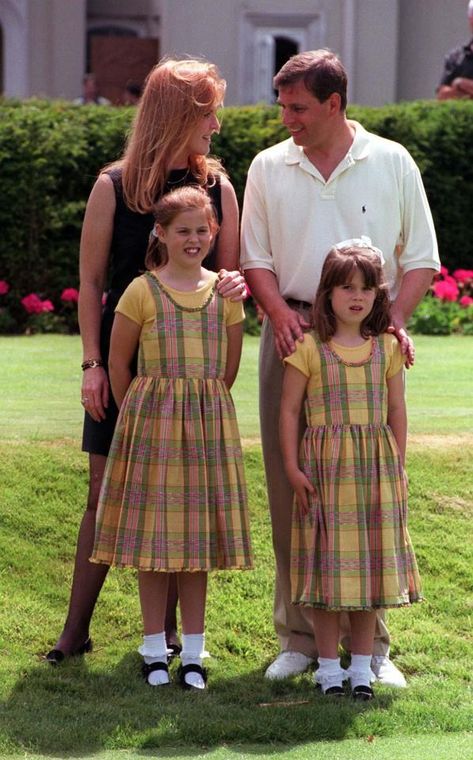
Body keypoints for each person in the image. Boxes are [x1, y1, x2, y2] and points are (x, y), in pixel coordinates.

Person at [240, 49, 440, 686]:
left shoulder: (392, 160)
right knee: (292, 491)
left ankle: (371, 650)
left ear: (333, 104)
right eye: (282, 105)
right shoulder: (269, 165)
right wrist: (278, 314)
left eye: (296, 107)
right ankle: (299, 638)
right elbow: (255, 259)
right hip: (293, 338)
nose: (285, 118)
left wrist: (391, 325)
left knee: (367, 500)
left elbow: (422, 261)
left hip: (366, 348)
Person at [46, 57, 246, 665]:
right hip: (122, 368)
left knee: (181, 502)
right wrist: (92, 366)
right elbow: (90, 281)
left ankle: (169, 648)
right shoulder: (112, 185)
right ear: (177, 113)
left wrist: (236, 288)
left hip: (189, 380)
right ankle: (73, 633)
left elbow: (225, 277)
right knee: (104, 494)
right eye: (207, 110)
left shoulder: (219, 189)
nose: (216, 123)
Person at [90, 185, 252, 689]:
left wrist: (197, 407)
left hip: (204, 431)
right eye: (183, 230)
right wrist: (142, 410)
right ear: (160, 232)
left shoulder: (224, 294)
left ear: (215, 232)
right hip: (151, 431)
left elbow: (227, 370)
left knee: (195, 543)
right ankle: (153, 649)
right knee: (152, 542)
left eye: (203, 230)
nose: (194, 239)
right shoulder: (141, 291)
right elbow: (119, 362)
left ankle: (195, 654)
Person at [280, 242, 423, 700]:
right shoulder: (308, 347)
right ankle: (327, 669)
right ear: (327, 294)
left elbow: (398, 411)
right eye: (346, 288)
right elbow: (288, 412)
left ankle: (361, 667)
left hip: (374, 475)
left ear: (378, 295)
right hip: (323, 474)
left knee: (367, 575)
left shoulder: (386, 348)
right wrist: (291, 467)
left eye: (365, 288)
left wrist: (396, 467)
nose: (356, 296)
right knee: (327, 574)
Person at [436, 1, 473, 100]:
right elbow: (442, 95)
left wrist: (461, 84)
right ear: (470, 20)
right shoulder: (456, 57)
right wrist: (462, 90)